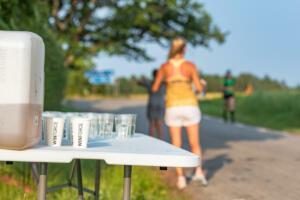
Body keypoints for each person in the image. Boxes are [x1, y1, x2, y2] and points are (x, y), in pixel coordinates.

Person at [152, 38, 207, 189]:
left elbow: (155, 87)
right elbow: (199, 88)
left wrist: (168, 82)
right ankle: (199, 172)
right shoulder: (190, 66)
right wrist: (202, 85)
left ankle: (181, 178)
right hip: (190, 106)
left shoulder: (164, 67)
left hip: (173, 107)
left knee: (177, 145)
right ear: (183, 50)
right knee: (194, 143)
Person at [138, 70, 166, 139]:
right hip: (161, 103)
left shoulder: (150, 82)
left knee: (152, 124)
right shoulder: (163, 83)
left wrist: (142, 79)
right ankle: (160, 140)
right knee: (159, 123)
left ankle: (152, 140)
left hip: (152, 103)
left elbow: (139, 83)